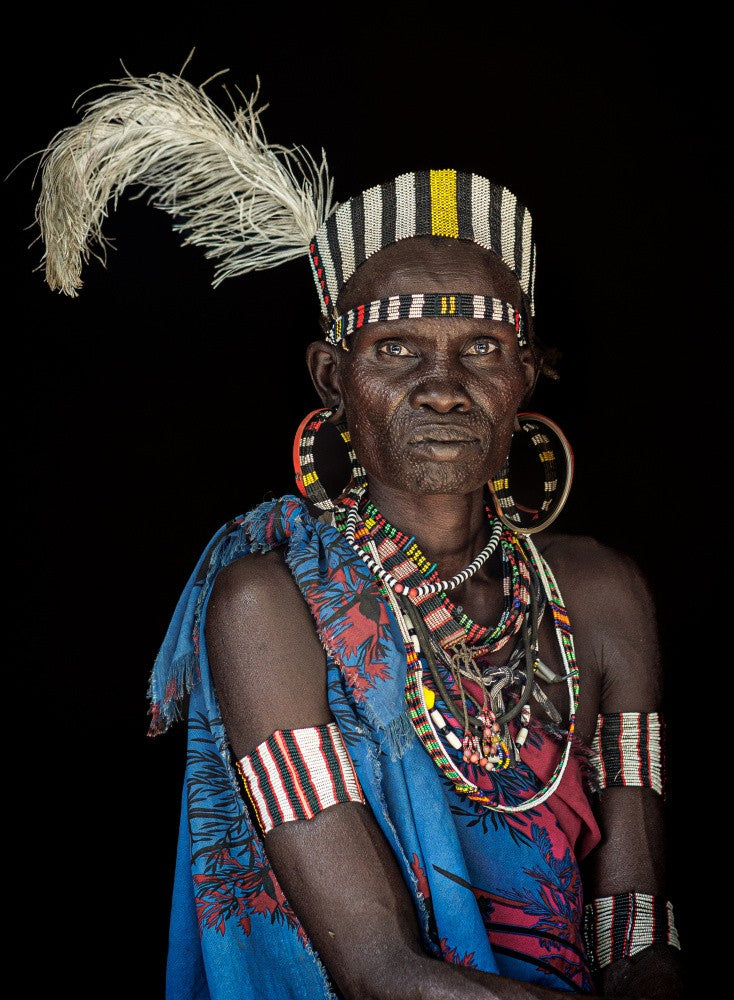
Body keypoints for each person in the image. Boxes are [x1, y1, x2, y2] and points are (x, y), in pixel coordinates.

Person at [33, 68, 684, 998]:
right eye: (395, 350)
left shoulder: (605, 594)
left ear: (529, 374)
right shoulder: (271, 604)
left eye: (483, 349)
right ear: (331, 378)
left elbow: (639, 919)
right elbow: (382, 974)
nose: (443, 384)